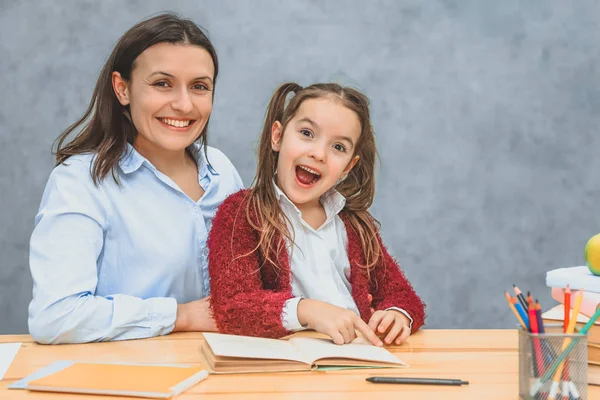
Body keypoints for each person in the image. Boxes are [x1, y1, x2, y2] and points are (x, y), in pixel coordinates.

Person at [28, 13, 243, 344]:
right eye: (162, 84)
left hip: (219, 373)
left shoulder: (222, 171)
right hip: (123, 379)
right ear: (122, 89)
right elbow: (55, 317)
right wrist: (182, 316)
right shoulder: (81, 182)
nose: (184, 104)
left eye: (199, 86)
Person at [208, 83, 425, 346]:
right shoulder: (241, 214)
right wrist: (306, 310)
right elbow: (232, 308)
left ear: (348, 166)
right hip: (289, 368)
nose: (318, 154)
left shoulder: (355, 225)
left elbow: (400, 294)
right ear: (277, 136)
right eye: (307, 133)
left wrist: (397, 314)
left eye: (339, 147)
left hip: (360, 361)